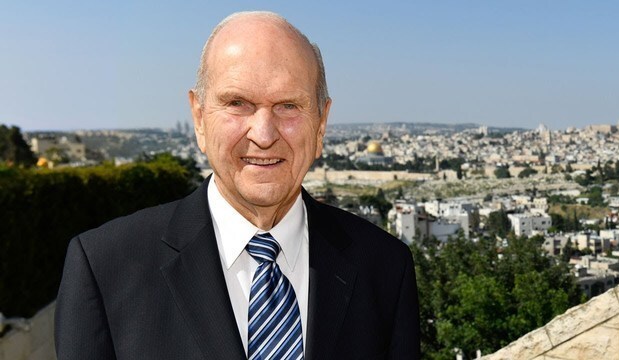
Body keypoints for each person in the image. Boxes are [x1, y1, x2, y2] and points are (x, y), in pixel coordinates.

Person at [55, 11, 419, 359]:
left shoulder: (385, 267)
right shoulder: (106, 269)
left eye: (289, 106)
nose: (263, 134)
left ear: (321, 123)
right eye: (238, 103)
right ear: (199, 118)